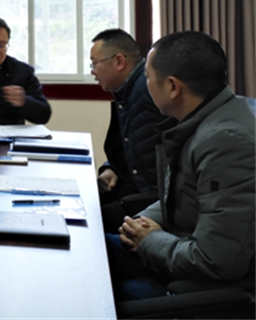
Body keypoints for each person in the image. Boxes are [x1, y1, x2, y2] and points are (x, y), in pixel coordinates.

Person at [106, 31, 256, 301]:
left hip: (202, 285)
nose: (145, 85)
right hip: (176, 248)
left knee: (105, 290)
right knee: (88, 247)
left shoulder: (226, 142)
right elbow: (184, 195)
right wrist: (143, 222)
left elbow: (216, 260)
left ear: (173, 87)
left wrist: (149, 240)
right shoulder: (202, 119)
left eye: (148, 77)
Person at [90, 29, 165, 232]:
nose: (92, 72)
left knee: (88, 220)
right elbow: (131, 145)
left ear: (119, 62)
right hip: (135, 189)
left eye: (94, 63)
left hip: (152, 200)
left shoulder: (149, 91)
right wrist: (111, 168)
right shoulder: (128, 92)